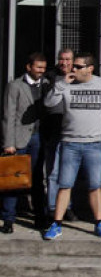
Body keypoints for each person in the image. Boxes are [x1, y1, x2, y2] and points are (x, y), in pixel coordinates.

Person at [42, 53, 101, 240]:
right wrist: (62, 85)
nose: (73, 69)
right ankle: (56, 224)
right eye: (73, 66)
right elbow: (48, 103)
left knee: (95, 185)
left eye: (78, 66)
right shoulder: (66, 84)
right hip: (70, 143)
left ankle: (99, 223)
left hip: (93, 144)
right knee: (65, 184)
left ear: (90, 68)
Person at [2, 53, 49, 233]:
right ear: (28, 67)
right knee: (13, 179)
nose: (41, 71)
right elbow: (9, 115)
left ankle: (40, 217)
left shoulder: (46, 85)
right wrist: (9, 142)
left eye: (43, 68)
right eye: (38, 68)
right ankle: (8, 219)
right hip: (19, 138)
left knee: (38, 179)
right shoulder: (15, 86)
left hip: (39, 137)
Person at [43, 49, 77, 223]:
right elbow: (46, 102)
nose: (65, 63)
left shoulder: (80, 76)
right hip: (54, 130)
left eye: (68, 59)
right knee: (54, 172)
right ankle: (52, 208)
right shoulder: (49, 77)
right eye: (62, 59)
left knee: (69, 173)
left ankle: (68, 208)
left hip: (74, 132)